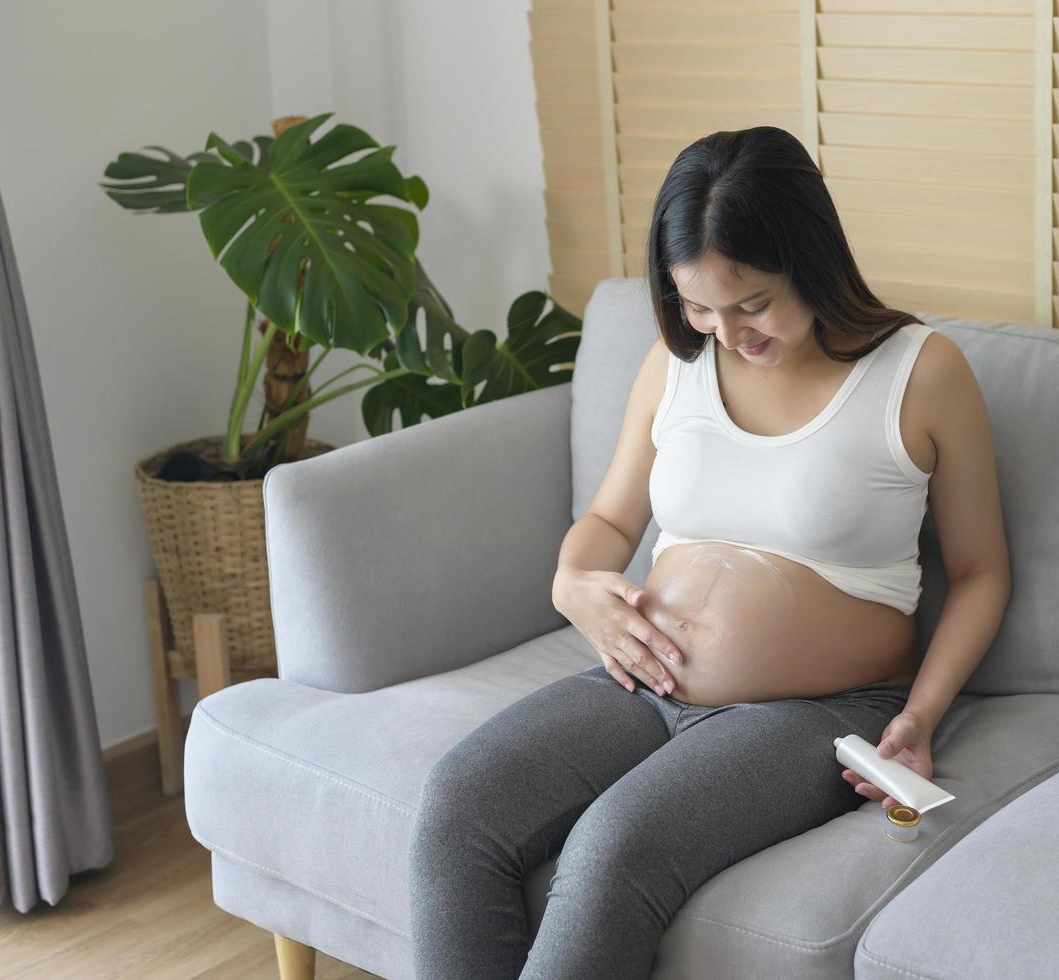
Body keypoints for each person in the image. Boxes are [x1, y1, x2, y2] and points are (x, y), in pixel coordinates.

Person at [408, 126, 1012, 980]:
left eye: (751, 303)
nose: (724, 332)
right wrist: (572, 582)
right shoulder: (674, 363)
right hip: (641, 682)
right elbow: (608, 525)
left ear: (810, 258)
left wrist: (918, 717)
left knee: (611, 850)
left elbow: (982, 574)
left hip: (815, 711)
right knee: (457, 804)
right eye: (697, 305)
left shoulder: (920, 373)